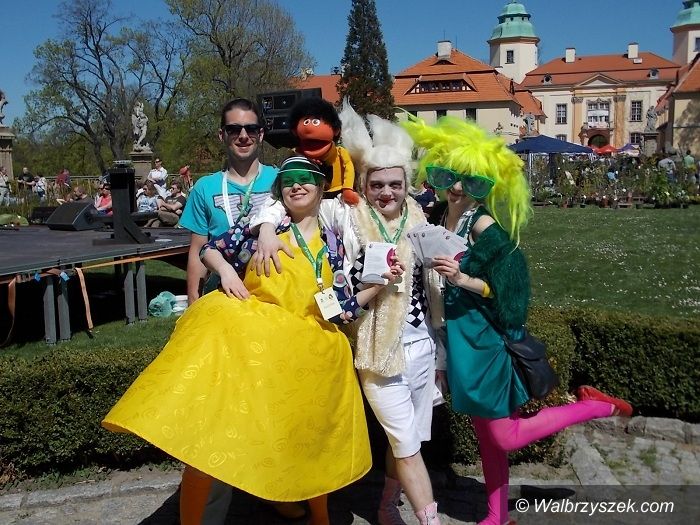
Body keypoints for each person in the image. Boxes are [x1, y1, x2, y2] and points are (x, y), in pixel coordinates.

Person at [103, 156, 403, 525]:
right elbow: (209, 249)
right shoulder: (264, 227)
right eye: (288, 181)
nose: (296, 186)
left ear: (321, 187)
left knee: (305, 439)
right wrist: (227, 272)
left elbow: (339, 308)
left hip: (306, 353)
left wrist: (379, 284)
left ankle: (314, 513)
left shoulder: (334, 243)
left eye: (305, 179)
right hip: (252, 346)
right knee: (211, 439)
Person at [403, 115, 633, 525]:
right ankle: (496, 515)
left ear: (485, 185)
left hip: (484, 341)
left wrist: (463, 279)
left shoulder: (483, 225)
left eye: (470, 181)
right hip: (455, 339)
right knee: (487, 435)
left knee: (504, 435)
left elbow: (510, 291)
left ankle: (591, 407)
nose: (457, 188)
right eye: (450, 177)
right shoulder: (436, 218)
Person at [254, 101, 446, 525]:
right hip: (377, 351)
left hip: (422, 348)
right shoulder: (344, 214)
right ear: (364, 183)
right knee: (407, 445)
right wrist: (266, 227)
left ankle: (386, 506)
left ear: (407, 185)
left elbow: (433, 287)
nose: (386, 193)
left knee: (408, 442)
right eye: (376, 184)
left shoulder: (420, 218)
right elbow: (291, 196)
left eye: (394, 184)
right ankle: (428, 518)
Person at [179, 98, 278, 306]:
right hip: (225, 298)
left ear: (260, 134)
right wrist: (193, 306)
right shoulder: (204, 188)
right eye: (233, 129)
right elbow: (197, 252)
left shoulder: (281, 180)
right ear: (222, 135)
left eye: (251, 129)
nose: (243, 136)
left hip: (274, 296)